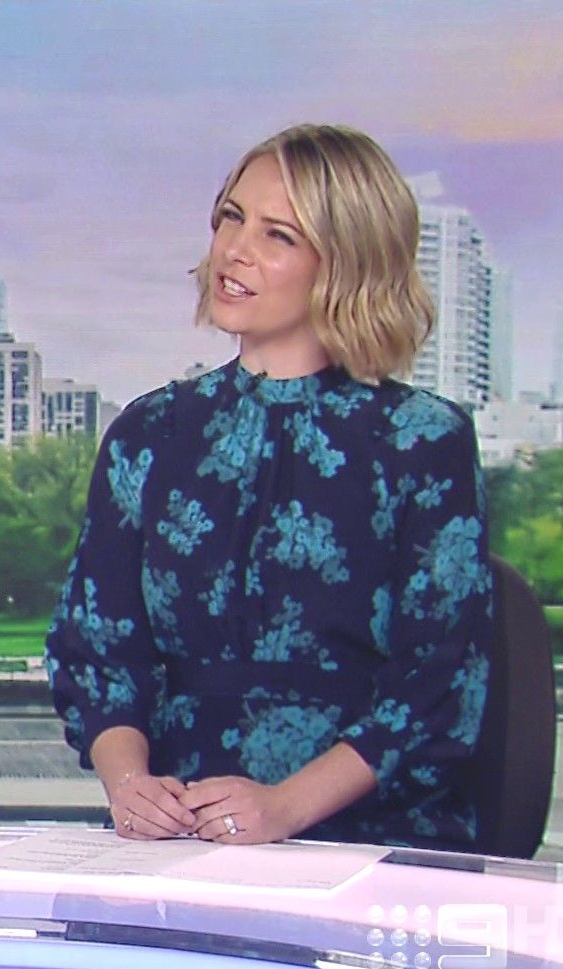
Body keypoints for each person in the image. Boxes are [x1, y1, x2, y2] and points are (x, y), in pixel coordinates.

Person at [45, 124, 491, 850]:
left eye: (278, 235)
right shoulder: (148, 434)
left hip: (369, 840)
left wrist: (283, 809)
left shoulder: (423, 442)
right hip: (177, 837)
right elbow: (98, 650)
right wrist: (131, 787)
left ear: (346, 263)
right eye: (232, 218)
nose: (235, 250)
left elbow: (437, 686)